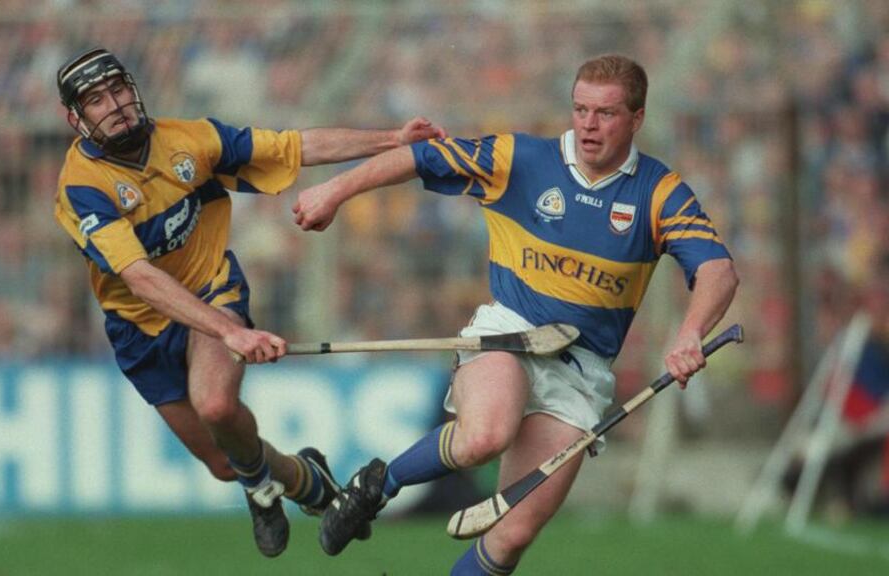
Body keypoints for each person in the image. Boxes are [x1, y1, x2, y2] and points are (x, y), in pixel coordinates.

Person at [293, 54, 739, 574]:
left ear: (637, 118)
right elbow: (422, 157)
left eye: (606, 113)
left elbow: (718, 271)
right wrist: (335, 190)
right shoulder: (520, 158)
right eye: (580, 109)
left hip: (582, 369)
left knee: (512, 535)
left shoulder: (659, 193)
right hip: (510, 333)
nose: (589, 126)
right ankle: (374, 487)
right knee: (485, 434)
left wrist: (689, 333)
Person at [52, 47, 445, 558]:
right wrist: (231, 333)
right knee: (224, 462)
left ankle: (261, 493)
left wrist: (391, 139)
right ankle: (309, 484)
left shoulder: (190, 139)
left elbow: (292, 147)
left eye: (120, 89)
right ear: (75, 118)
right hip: (139, 326)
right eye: (98, 100)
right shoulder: (81, 188)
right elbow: (140, 277)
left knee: (216, 403)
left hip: (212, 290)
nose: (117, 105)